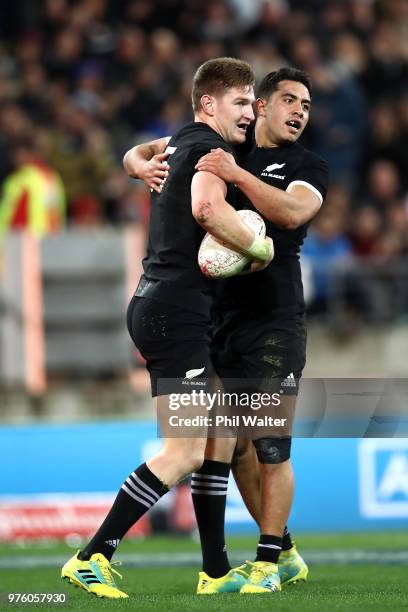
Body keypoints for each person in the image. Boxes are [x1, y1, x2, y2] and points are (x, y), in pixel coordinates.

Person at [61, 57, 273, 599]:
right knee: (183, 450)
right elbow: (205, 210)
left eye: (251, 103)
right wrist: (257, 246)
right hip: (175, 313)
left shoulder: (183, 141)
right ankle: (91, 558)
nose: (250, 113)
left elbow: (139, 152)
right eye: (242, 102)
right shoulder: (208, 150)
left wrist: (135, 162)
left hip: (165, 307)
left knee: (220, 433)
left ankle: (216, 572)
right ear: (209, 103)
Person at [129, 67, 329, 594]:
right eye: (289, 100)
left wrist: (237, 178)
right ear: (259, 106)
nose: (300, 112)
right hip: (219, 319)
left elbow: (291, 212)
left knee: (269, 445)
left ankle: (265, 563)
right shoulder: (227, 143)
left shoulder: (308, 166)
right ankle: (266, 554)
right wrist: (134, 163)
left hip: (274, 323)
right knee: (224, 445)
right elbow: (146, 149)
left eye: (307, 106)